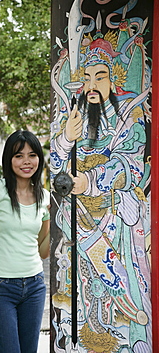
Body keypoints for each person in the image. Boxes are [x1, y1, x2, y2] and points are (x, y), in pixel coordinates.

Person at [51, 35, 151, 351]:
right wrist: (66, 139)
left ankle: (117, 333)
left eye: (101, 76)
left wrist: (92, 180)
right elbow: (56, 169)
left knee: (108, 283)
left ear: (112, 80)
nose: (93, 85)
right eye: (87, 78)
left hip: (112, 216)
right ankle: (86, 336)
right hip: (78, 218)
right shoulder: (73, 118)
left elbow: (131, 166)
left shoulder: (128, 120)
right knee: (82, 282)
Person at [0, 130, 50, 353]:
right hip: (1, 287)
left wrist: (56, 222)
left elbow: (44, 251)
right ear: (9, 159)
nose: (26, 161)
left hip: (35, 286)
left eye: (32, 155)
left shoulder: (45, 197)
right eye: (18, 155)